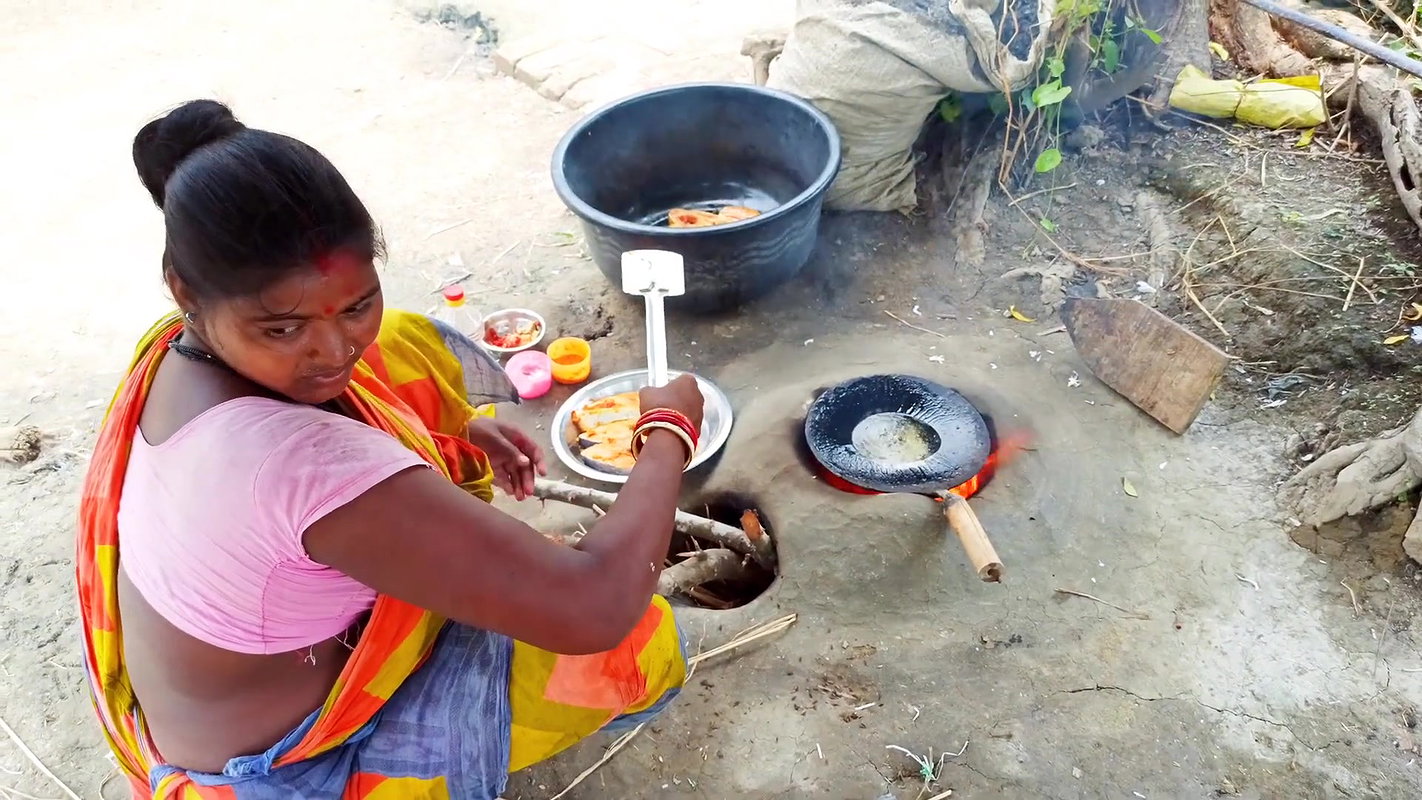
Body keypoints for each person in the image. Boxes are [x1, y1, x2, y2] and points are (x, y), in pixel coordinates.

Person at [76, 99, 707, 800]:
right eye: (282, 329)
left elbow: (354, 365)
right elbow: (594, 608)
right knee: (635, 640)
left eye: (355, 305)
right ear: (183, 290)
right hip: (291, 765)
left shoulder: (177, 352)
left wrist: (455, 426)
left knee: (403, 342)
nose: (334, 349)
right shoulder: (301, 469)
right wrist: (666, 436)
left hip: (222, 693)